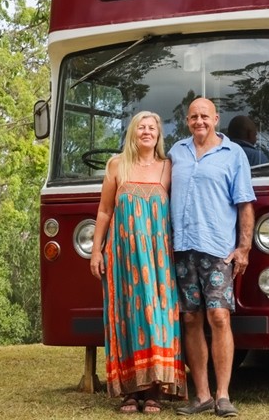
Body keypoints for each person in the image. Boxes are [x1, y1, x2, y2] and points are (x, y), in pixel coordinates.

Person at [90, 111, 185, 413]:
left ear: (159, 134)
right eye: (141, 127)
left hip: (159, 257)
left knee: (158, 316)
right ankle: (130, 391)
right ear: (132, 133)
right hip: (122, 255)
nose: (146, 132)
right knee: (127, 315)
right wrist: (96, 250)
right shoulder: (117, 166)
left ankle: (156, 389)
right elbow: (105, 211)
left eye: (152, 127)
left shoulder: (168, 168)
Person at [169, 97, 256, 418]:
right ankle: (202, 395)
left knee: (219, 317)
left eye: (204, 116)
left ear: (216, 119)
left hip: (217, 248)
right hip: (182, 248)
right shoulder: (176, 152)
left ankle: (223, 396)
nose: (198, 122)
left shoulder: (233, 155)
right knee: (190, 319)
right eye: (193, 117)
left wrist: (243, 247)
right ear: (187, 121)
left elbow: (245, 203)